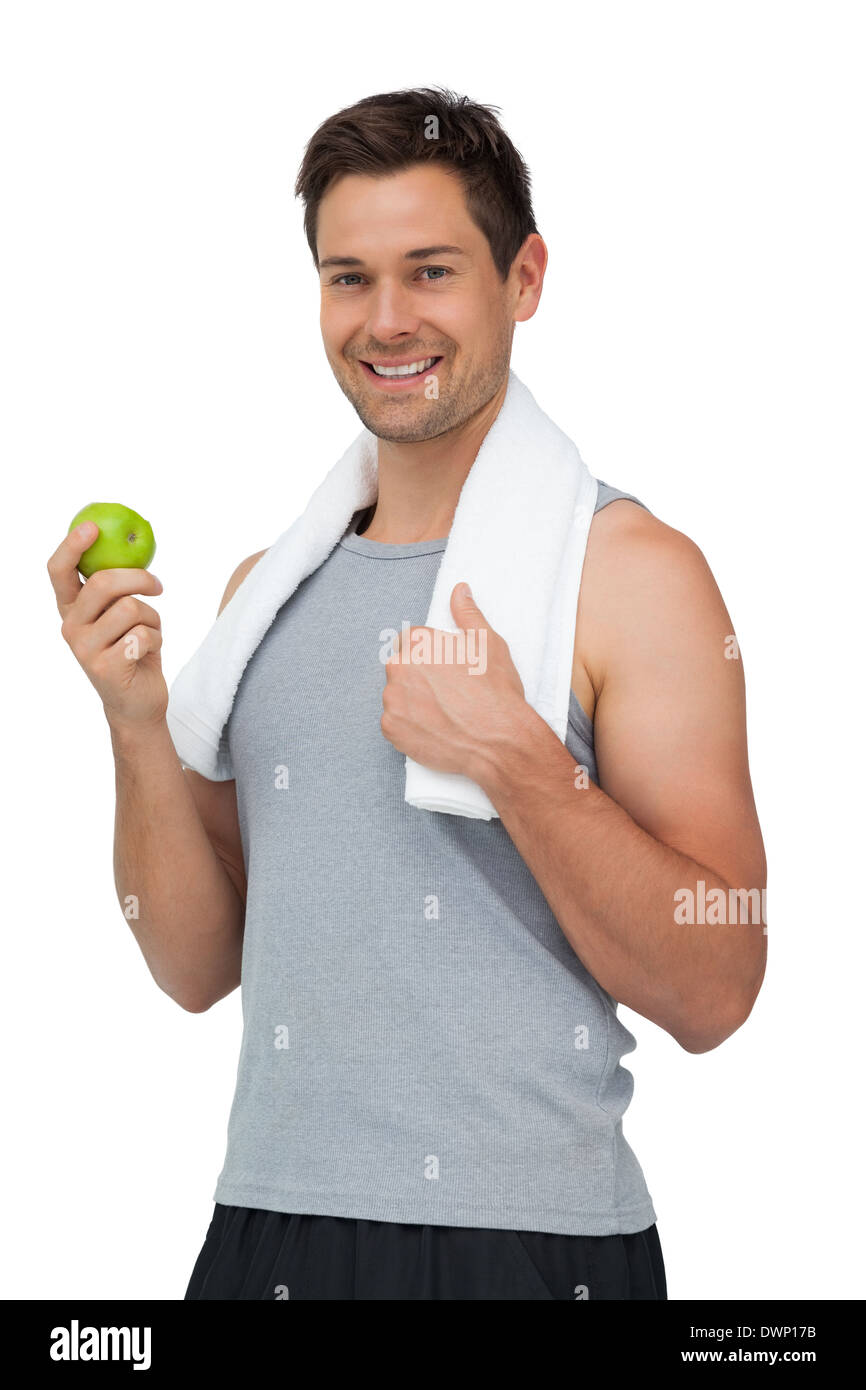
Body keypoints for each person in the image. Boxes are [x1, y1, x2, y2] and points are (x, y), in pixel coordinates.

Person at [47, 87, 766, 1301]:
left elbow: (719, 984)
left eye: (430, 271)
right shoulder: (263, 592)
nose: (385, 321)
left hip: (527, 1250)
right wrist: (133, 718)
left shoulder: (631, 576)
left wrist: (518, 762)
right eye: (347, 278)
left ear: (521, 278)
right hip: (264, 1230)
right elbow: (193, 965)